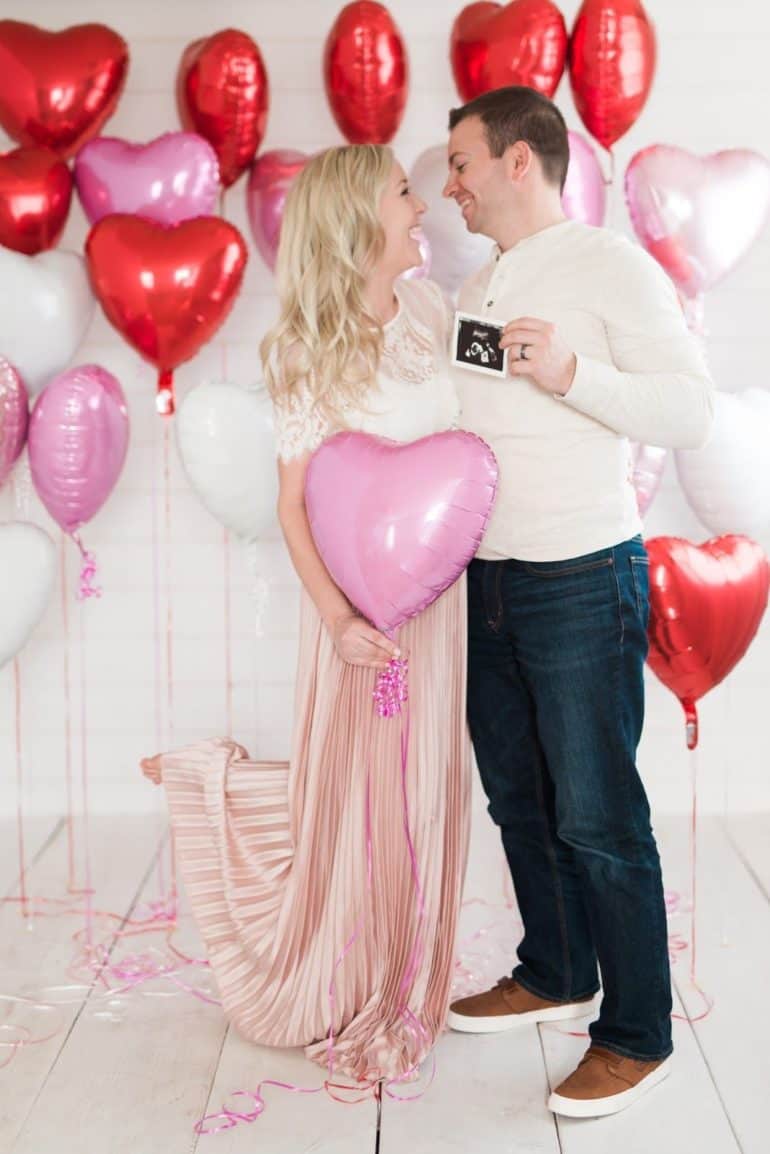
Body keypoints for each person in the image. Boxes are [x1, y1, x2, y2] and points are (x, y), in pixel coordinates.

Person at [140, 144, 471, 1085]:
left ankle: (407, 976)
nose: (420, 206)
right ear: (359, 216)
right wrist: (335, 620)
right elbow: (294, 506)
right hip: (357, 616)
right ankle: (344, 966)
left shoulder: (434, 311)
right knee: (359, 796)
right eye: (404, 192)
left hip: (439, 609)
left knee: (423, 796)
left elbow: (477, 417)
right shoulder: (302, 350)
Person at [442, 86, 715, 1118]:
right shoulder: (483, 282)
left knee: (598, 815)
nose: (451, 185)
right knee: (517, 794)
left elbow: (686, 407)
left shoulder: (608, 267)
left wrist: (571, 372)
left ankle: (636, 1029)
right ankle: (556, 969)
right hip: (490, 579)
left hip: (576, 577)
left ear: (521, 161)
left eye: (462, 162)